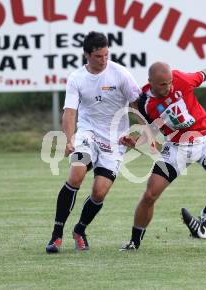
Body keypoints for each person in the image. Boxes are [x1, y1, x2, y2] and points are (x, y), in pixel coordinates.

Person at [119, 52, 206, 250]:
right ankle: (134, 242)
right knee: (150, 195)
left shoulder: (181, 79)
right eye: (162, 84)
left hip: (204, 138)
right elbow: (151, 132)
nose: (168, 87)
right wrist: (136, 141)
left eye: (169, 82)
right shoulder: (145, 103)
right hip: (175, 147)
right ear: (151, 83)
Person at [45, 31, 141, 253]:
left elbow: (137, 106)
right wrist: (69, 140)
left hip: (115, 140)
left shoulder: (121, 74)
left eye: (106, 55)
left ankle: (79, 229)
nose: (104, 60)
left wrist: (142, 135)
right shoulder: (77, 78)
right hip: (87, 133)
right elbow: (69, 113)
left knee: (99, 192)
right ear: (86, 55)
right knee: (76, 173)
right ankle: (56, 236)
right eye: (98, 56)